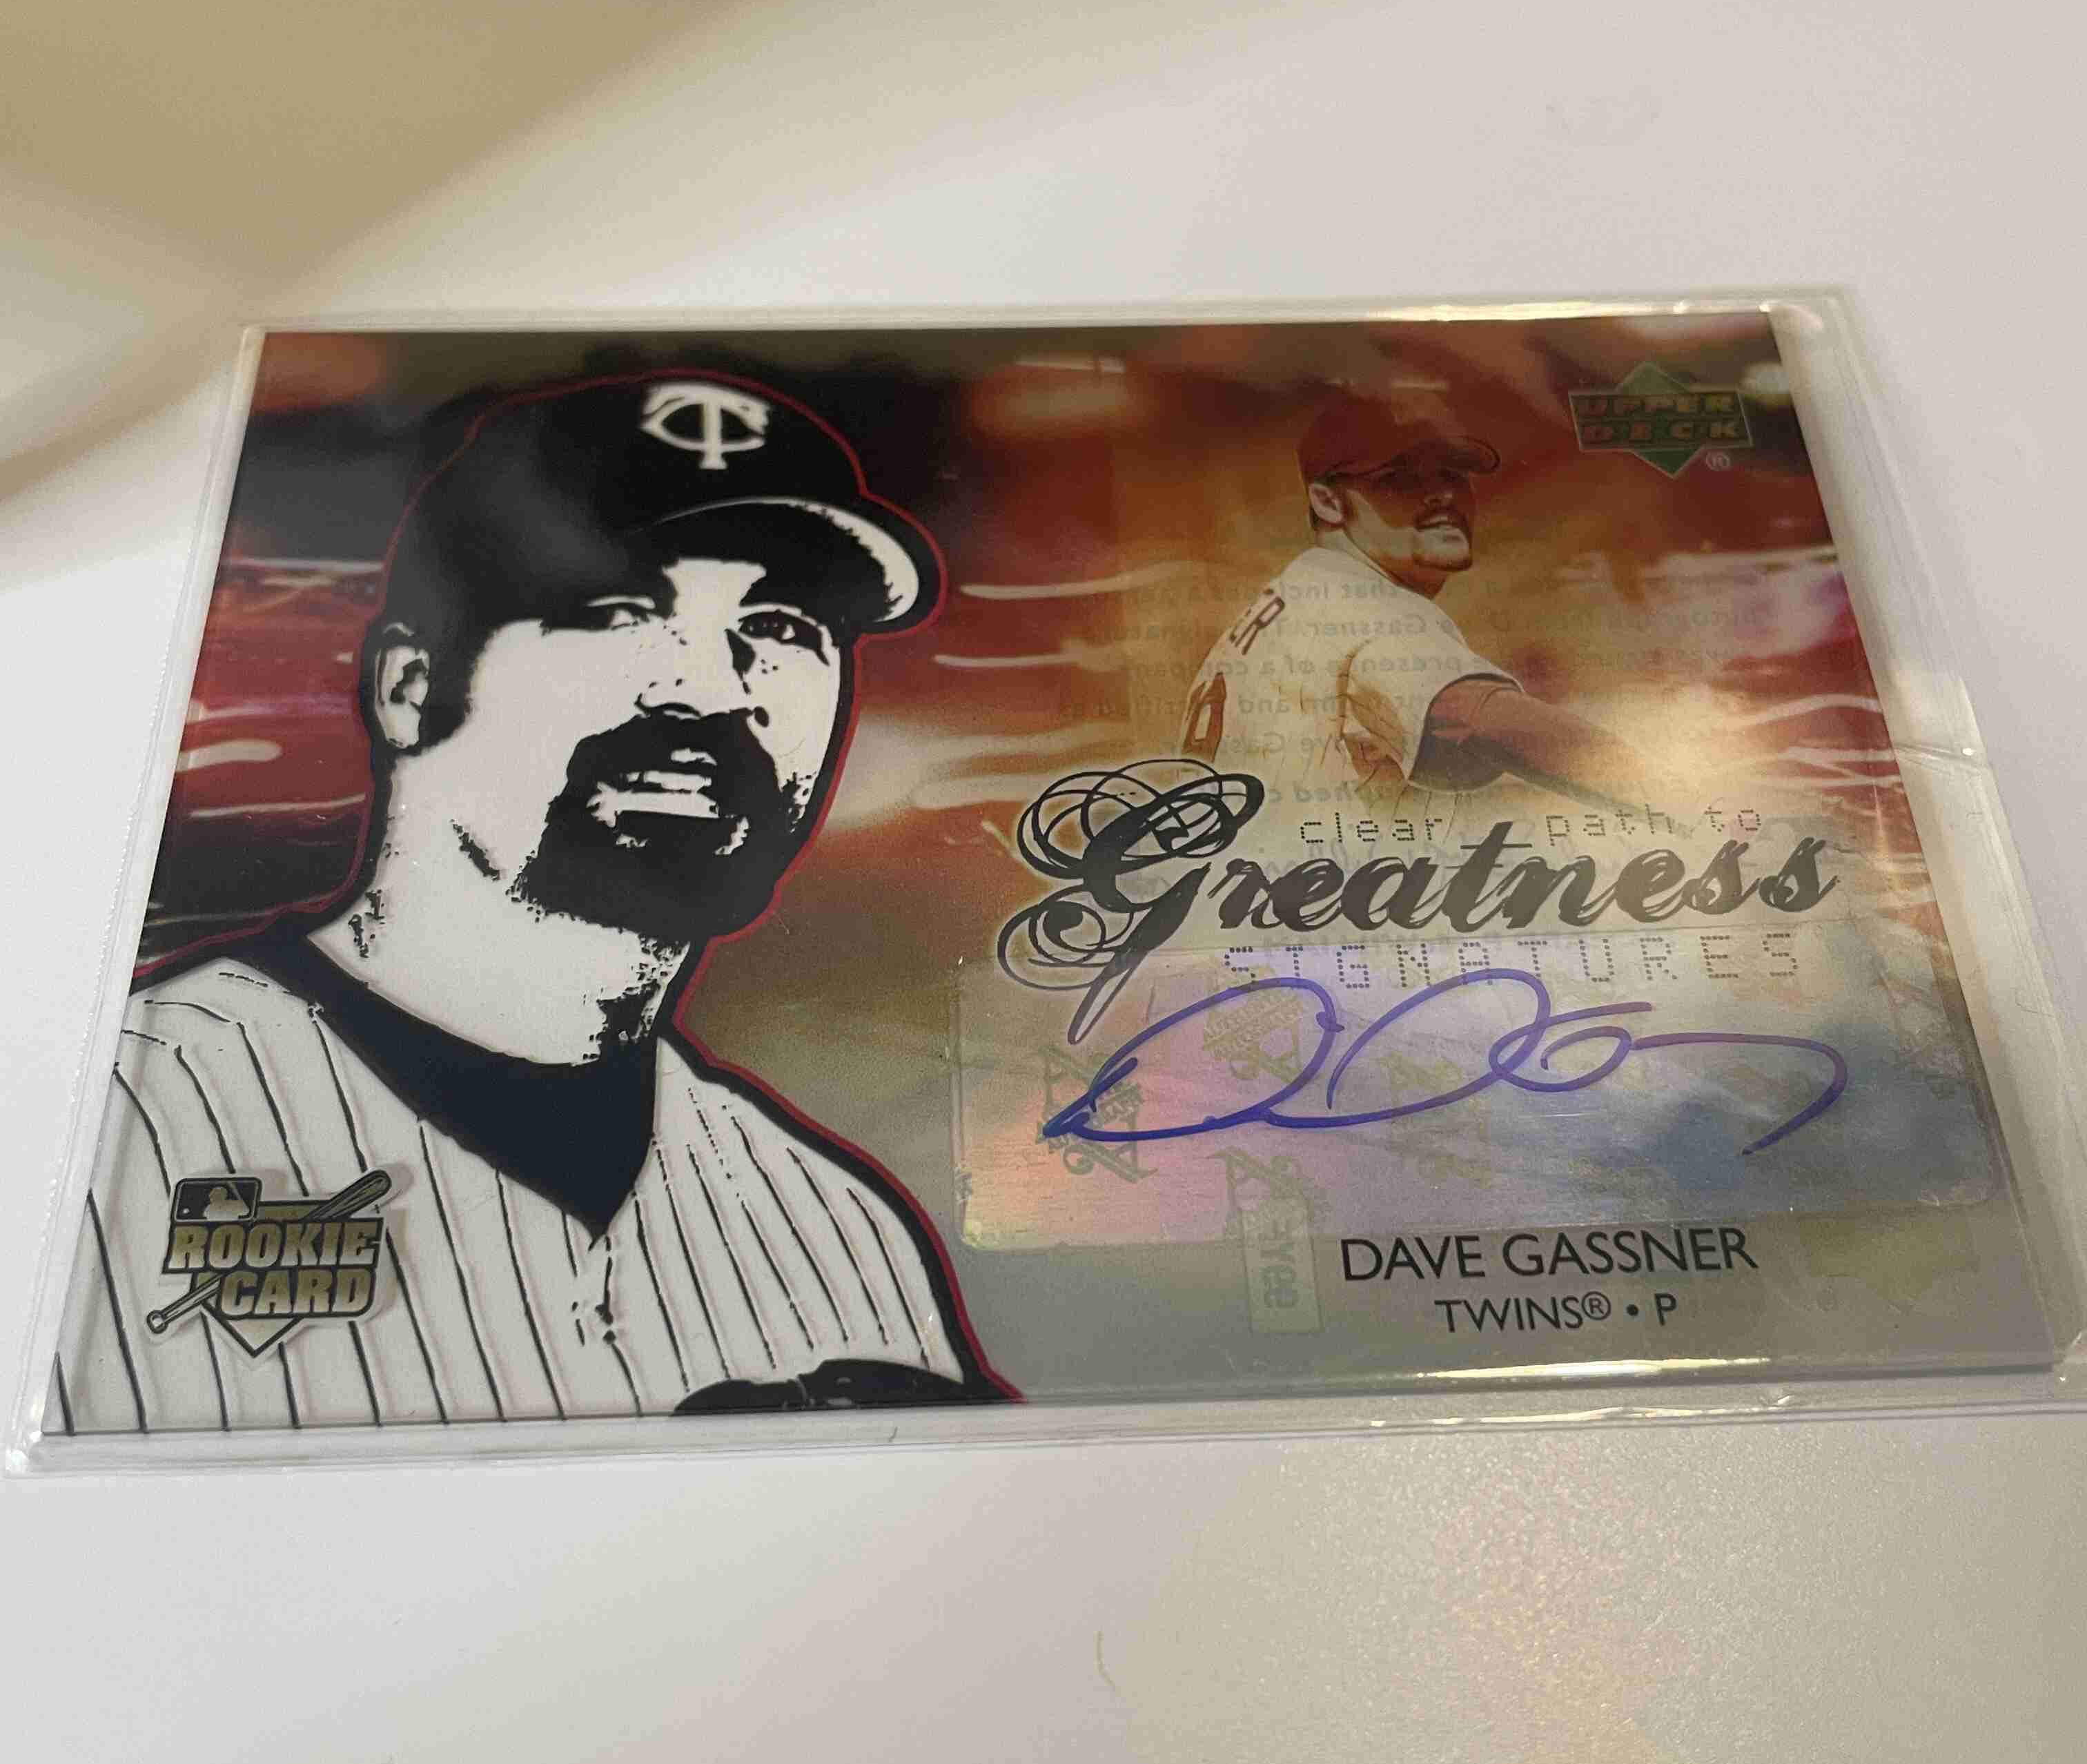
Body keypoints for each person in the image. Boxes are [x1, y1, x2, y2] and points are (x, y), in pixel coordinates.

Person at [50, 373, 1008, 1435]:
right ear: (411, 689)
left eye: (780, 625)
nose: (707, 686)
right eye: (617, 611)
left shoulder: (835, 1232)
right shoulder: (105, 1125)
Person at [1181, 389, 1665, 857]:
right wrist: (1674, 793)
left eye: (1453, 473)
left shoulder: (1280, 606)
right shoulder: (1360, 603)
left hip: (1242, 887)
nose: (1444, 495)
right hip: (1305, 895)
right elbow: (1477, 720)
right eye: (1402, 477)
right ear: (1329, 502)